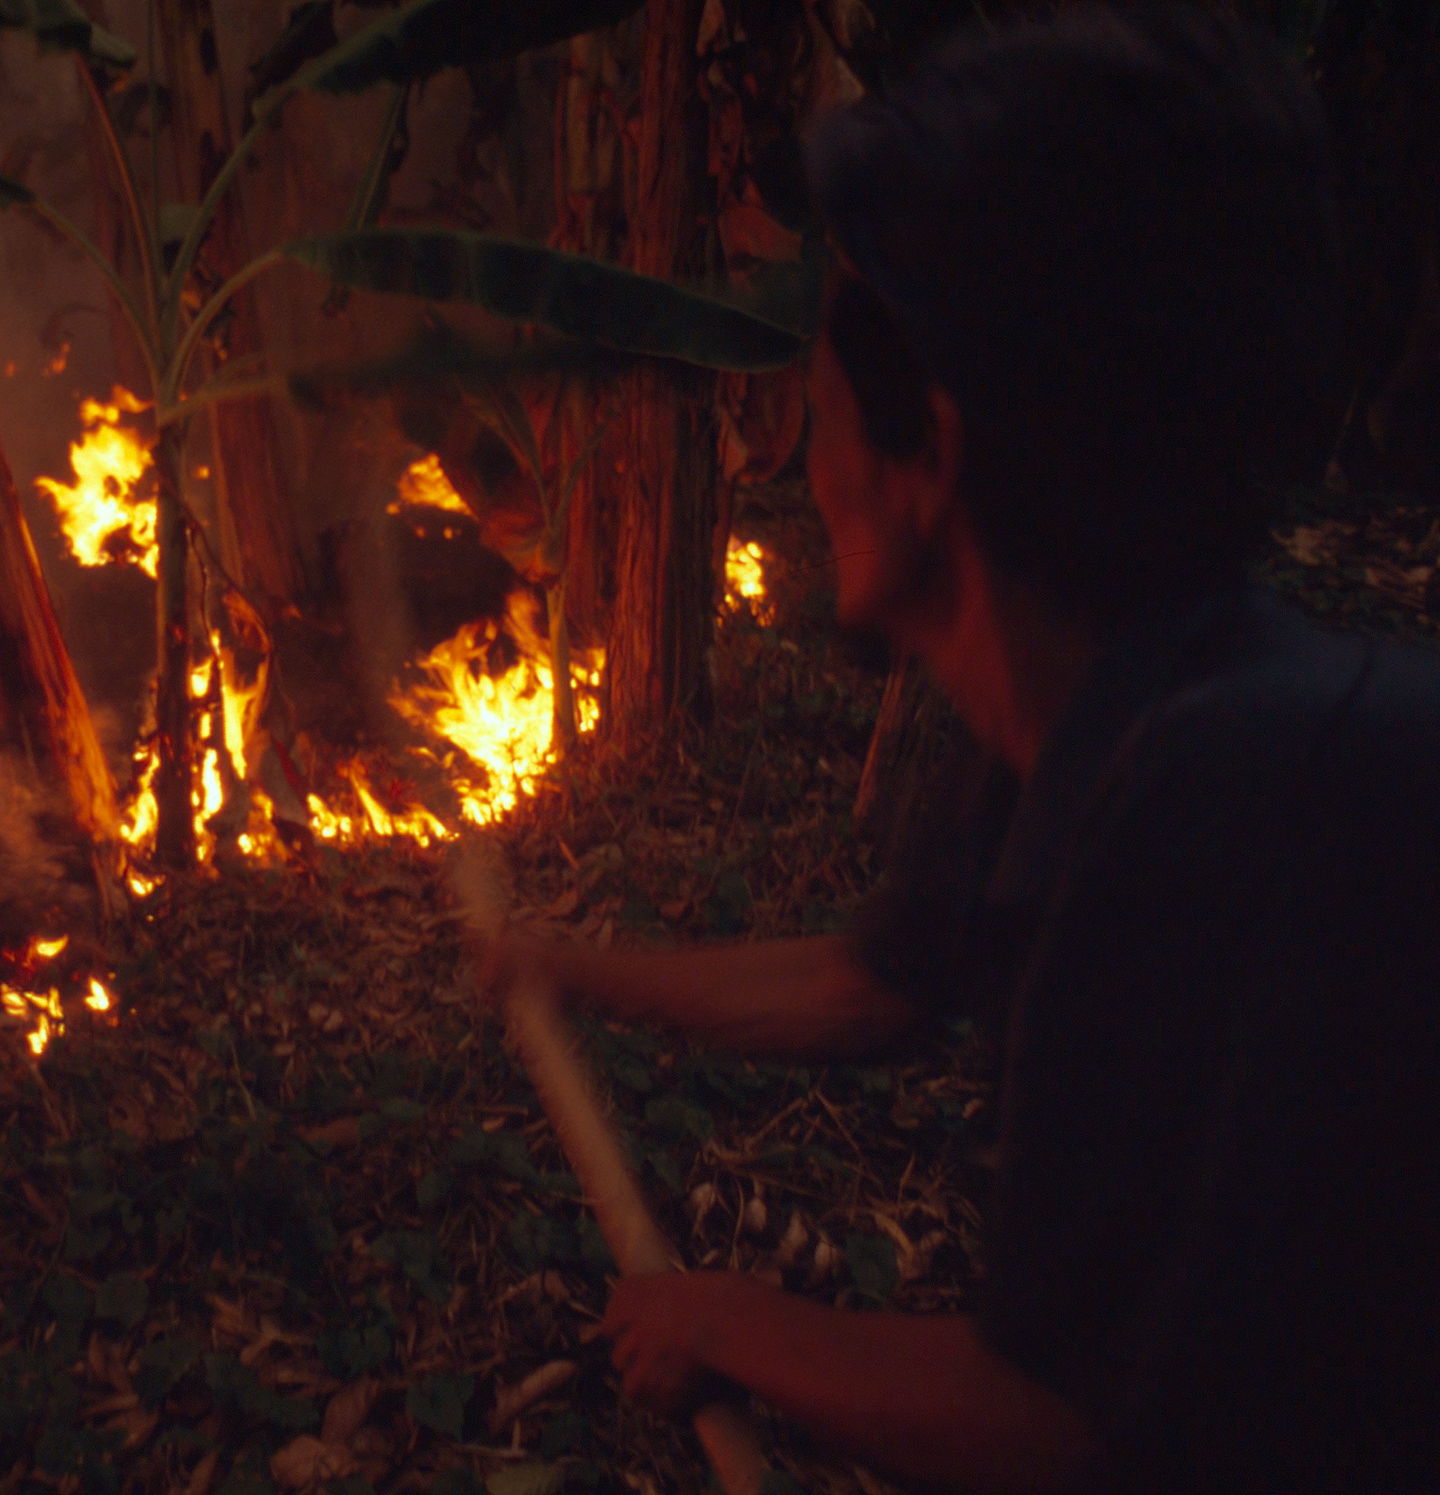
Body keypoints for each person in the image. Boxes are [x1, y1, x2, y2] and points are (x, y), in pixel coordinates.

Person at [486, 9, 1440, 1491]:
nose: (803, 465)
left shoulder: (1226, 815)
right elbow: (869, 984)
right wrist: (571, 970)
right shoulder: (1108, 707)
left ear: (927, 454)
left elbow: (1058, 1421)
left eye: (811, 401)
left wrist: (729, 1321)